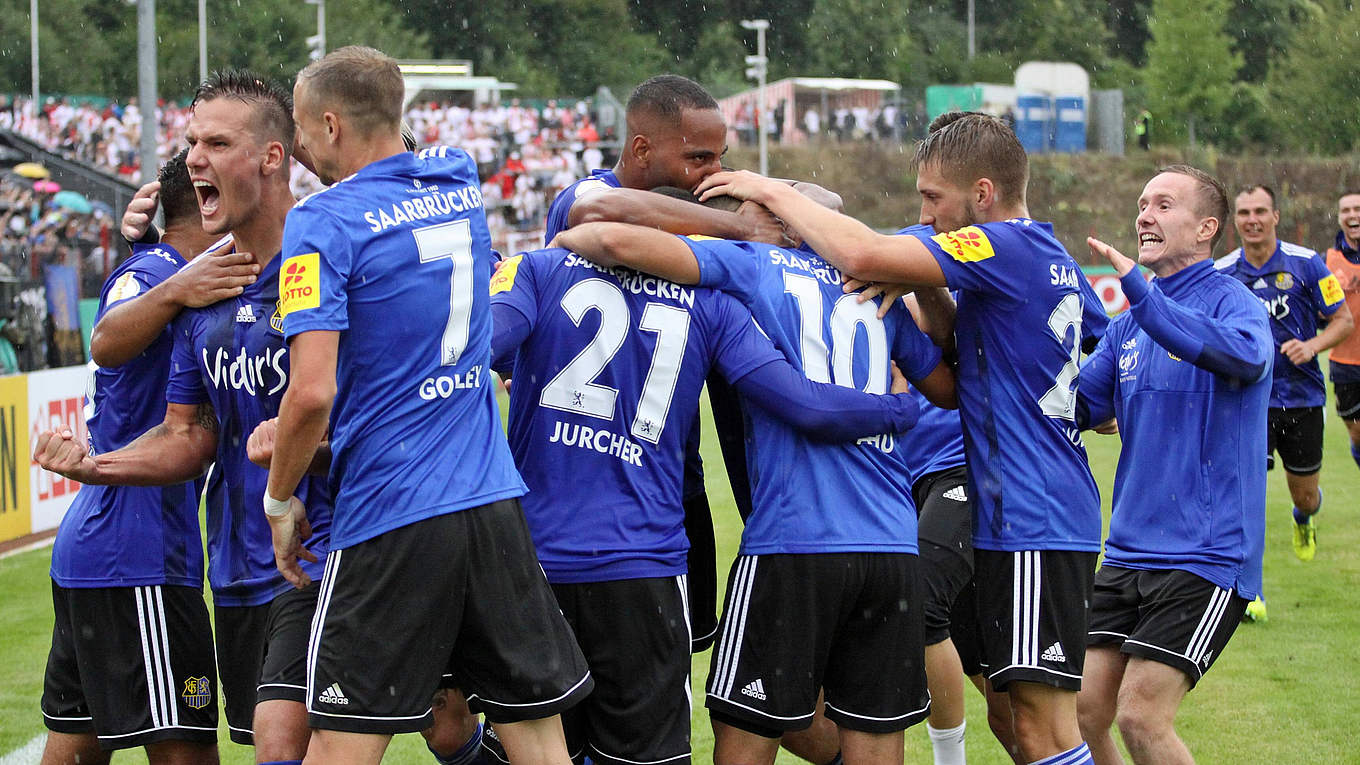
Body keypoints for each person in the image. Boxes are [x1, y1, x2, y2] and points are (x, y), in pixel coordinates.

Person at [696, 111, 1109, 765]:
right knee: (1021, 717)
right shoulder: (1038, 252)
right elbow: (952, 368)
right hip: (1023, 509)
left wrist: (767, 189)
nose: (924, 213)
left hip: (1035, 510)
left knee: (1042, 728)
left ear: (982, 194)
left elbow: (862, 255)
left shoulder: (999, 246)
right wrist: (927, 286)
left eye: (932, 197)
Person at [484, 221, 932, 765]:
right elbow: (804, 404)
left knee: (531, 750)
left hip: (536, 563)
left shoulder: (535, 270)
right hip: (644, 566)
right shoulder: (712, 303)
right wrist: (896, 408)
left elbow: (477, 346)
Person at [265, 46, 590, 765]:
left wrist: (280, 499)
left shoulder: (320, 221)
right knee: (540, 743)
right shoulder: (457, 177)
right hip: (490, 506)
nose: (300, 147)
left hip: (392, 510)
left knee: (341, 743)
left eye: (302, 127)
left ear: (329, 124)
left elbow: (311, 392)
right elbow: (397, 160)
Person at [35, 70, 334, 765]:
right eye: (192, 142)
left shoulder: (329, 254)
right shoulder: (203, 286)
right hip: (234, 569)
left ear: (272, 156)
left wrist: (303, 459)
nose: (195, 157)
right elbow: (187, 432)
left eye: (216, 143)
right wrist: (95, 466)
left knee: (288, 744)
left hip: (324, 556)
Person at [541, 74, 785, 663]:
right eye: (698, 157)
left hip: (675, 485)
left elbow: (826, 204)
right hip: (579, 491)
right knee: (569, 679)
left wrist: (761, 190)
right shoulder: (586, 197)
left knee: (673, 674)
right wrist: (739, 226)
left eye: (720, 156)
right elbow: (597, 209)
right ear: (642, 149)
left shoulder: (702, 204)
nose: (713, 171)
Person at [1075, 166, 1271, 765]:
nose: (1144, 215)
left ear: (1206, 228)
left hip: (1206, 554)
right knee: (1084, 712)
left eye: (1163, 204)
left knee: (1141, 717)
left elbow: (1242, 357)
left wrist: (1142, 294)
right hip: (1128, 550)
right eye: (1142, 204)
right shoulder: (1128, 326)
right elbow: (1075, 405)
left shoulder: (1235, 304)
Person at [34, 150, 224, 765]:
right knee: (185, 752)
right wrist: (176, 285)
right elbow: (107, 337)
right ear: (209, 203)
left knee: (76, 748)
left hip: (102, 546)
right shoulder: (159, 276)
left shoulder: (157, 268)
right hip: (139, 553)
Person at [1217, 185, 1351, 579]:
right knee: (1245, 498)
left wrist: (1311, 346)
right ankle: (1250, 589)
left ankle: (1303, 518)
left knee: (1306, 497)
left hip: (1302, 398)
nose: (1252, 220)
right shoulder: (1222, 273)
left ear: (1275, 216)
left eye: (1260, 211)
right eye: (1244, 213)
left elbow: (1343, 320)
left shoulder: (1307, 264)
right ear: (1235, 220)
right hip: (1246, 401)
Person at [1324, 191, 1360, 473]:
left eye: (1357, 209)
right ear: (1339, 218)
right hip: (1345, 363)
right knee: (1357, 434)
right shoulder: (1327, 262)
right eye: (1346, 210)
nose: (1352, 215)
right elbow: (1321, 314)